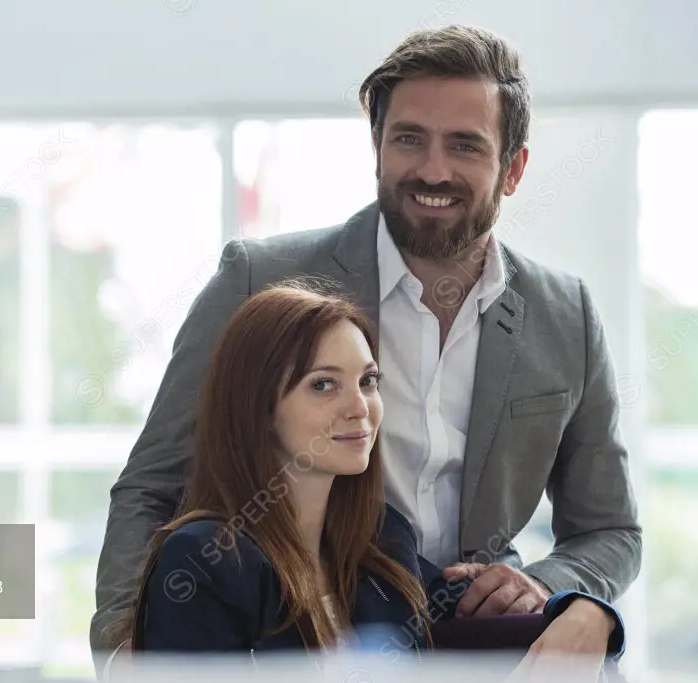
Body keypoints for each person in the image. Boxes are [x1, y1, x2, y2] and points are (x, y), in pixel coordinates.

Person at [92, 22, 641, 674]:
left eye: (465, 145)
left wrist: (556, 586)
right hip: (281, 622)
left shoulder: (564, 314)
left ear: (513, 167)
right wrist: (126, 649)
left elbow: (610, 529)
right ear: (377, 146)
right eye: (409, 138)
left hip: (452, 626)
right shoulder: (259, 279)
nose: (433, 170)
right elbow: (152, 485)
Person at [113, 282, 624, 679]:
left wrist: (586, 612)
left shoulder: (381, 538)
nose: (359, 407)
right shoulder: (204, 559)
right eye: (323, 385)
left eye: (368, 381)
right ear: (259, 409)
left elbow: (477, 618)